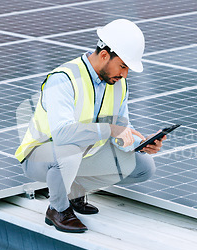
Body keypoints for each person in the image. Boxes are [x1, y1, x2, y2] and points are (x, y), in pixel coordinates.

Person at [14, 19, 166, 233]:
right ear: (104, 55)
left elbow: (121, 129)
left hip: (83, 153)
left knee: (143, 166)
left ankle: (74, 190)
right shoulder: (64, 79)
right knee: (71, 149)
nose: (125, 74)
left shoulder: (118, 84)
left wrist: (140, 143)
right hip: (41, 155)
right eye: (122, 65)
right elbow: (63, 135)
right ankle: (57, 209)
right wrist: (111, 130)